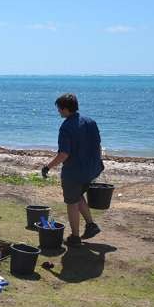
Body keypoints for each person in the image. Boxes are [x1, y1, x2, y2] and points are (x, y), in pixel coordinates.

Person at [41, 93, 103, 247]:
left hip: (75, 172)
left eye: (59, 109)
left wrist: (47, 167)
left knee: (71, 203)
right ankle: (91, 225)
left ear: (65, 109)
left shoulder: (66, 127)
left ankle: (75, 237)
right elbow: (98, 146)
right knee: (78, 196)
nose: (58, 112)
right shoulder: (90, 121)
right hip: (92, 169)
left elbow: (64, 154)